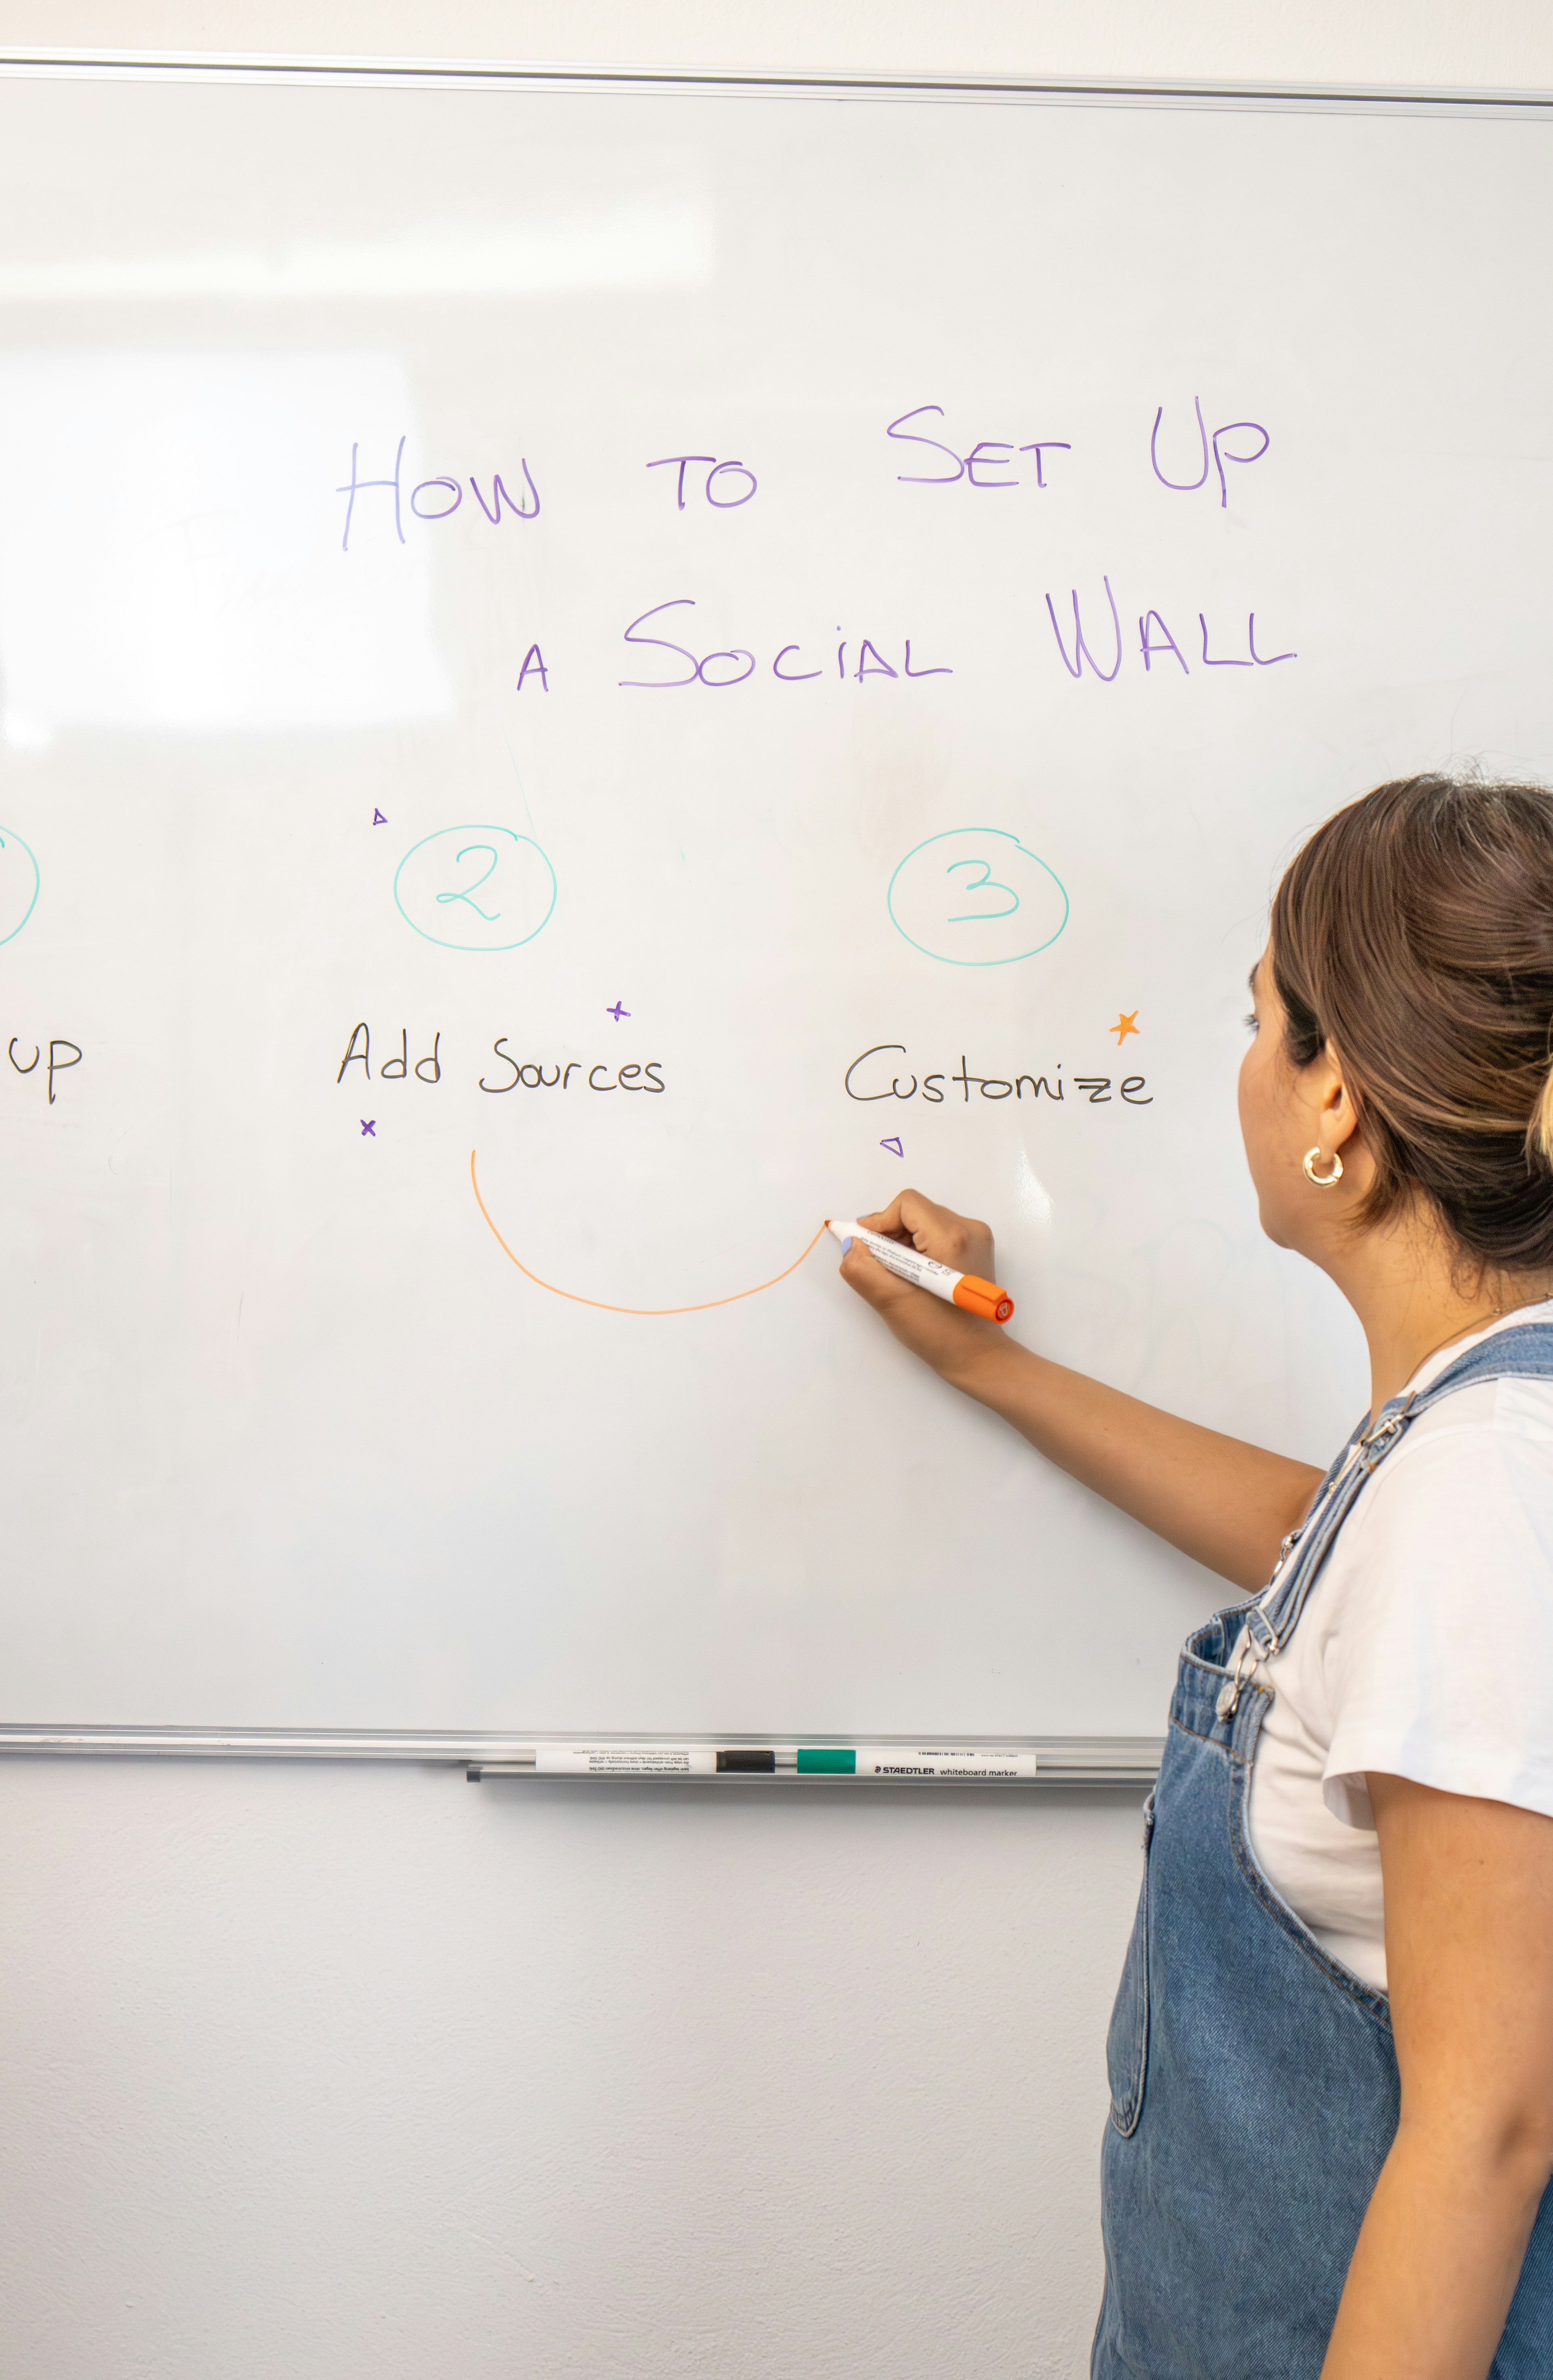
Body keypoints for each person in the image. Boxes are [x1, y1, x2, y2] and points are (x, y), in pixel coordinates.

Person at [840, 775, 1553, 2379]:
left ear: (1335, 1110)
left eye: (1258, 1023)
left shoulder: (1486, 1491)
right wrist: (997, 1371)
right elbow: (1338, 1554)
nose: (1237, 1068)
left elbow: (1487, 2131)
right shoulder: (1467, 1452)